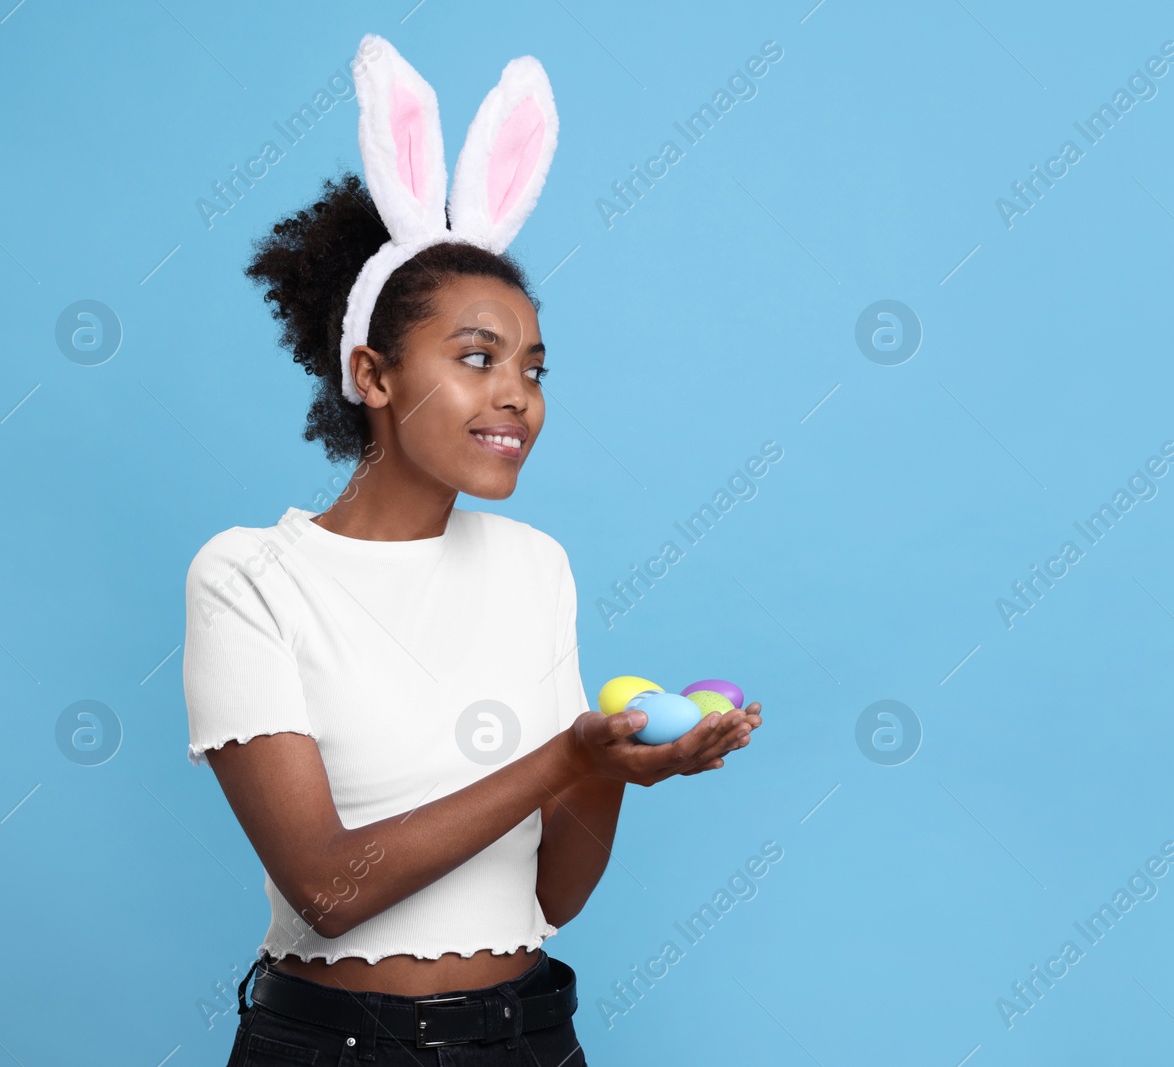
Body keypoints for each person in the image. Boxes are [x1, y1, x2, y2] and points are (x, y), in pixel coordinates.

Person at [181, 36, 762, 1065]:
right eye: (477, 357)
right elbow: (327, 886)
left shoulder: (534, 565)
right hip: (335, 1045)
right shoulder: (249, 578)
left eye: (533, 368)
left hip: (529, 1035)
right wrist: (567, 753)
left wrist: (614, 771)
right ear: (373, 372)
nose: (516, 396)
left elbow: (551, 895)